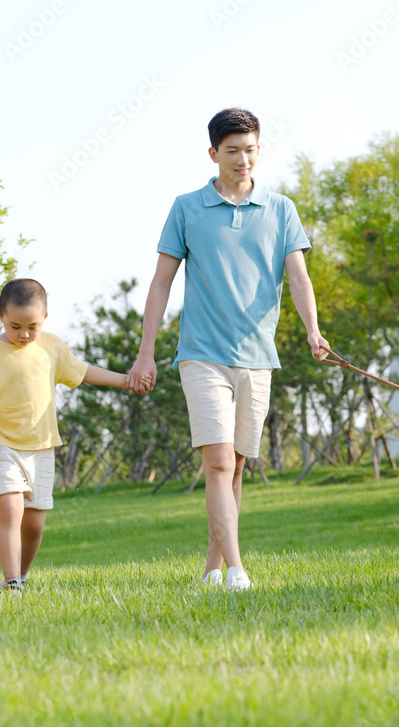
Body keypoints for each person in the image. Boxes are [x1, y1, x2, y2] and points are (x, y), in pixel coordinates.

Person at [126, 108, 331, 591]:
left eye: (251, 150)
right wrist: (145, 352)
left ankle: (212, 570)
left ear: (259, 151)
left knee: (236, 463)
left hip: (258, 355)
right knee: (218, 461)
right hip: (201, 352)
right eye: (233, 150)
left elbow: (298, 277)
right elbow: (160, 283)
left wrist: (313, 330)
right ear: (214, 153)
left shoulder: (281, 209)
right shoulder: (187, 208)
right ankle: (238, 569)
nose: (243, 159)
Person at [0, 278, 143, 593]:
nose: (23, 334)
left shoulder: (52, 346)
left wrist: (125, 380)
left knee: (33, 525)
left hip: (42, 449)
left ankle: (21, 575)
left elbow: (83, 371)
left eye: (31, 327)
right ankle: (10, 582)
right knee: (10, 509)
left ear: (45, 318)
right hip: (2, 447)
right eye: (14, 325)